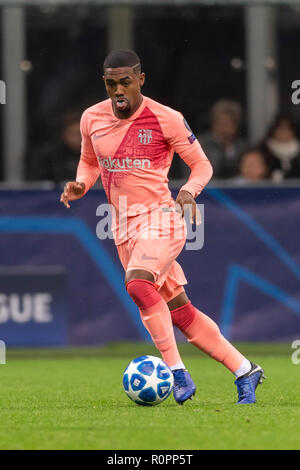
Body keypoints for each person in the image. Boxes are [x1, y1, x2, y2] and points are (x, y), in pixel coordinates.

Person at [60, 49, 265, 405]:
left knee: (138, 285)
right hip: (122, 228)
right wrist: (81, 183)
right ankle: (246, 370)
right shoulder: (91, 118)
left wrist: (188, 191)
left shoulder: (166, 118)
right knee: (181, 311)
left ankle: (176, 372)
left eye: (125, 82)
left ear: (141, 79)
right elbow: (89, 162)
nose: (118, 91)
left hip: (161, 218)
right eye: (111, 84)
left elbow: (202, 165)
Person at [27, 110, 82, 183]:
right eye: (72, 134)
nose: (76, 139)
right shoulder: (51, 157)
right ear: (64, 134)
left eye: (79, 134)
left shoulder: (96, 154)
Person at [197, 99, 247, 179]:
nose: (224, 127)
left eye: (228, 123)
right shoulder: (199, 145)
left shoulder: (243, 147)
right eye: (221, 123)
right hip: (207, 189)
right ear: (213, 123)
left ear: (236, 125)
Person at [259, 114, 300, 181]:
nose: (284, 132)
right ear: (273, 130)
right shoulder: (263, 149)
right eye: (280, 129)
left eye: (287, 129)